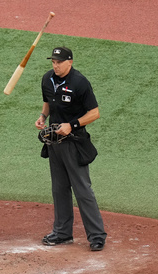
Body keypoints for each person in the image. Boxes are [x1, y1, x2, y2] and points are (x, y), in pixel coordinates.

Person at [35, 47, 107, 251]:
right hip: (54, 144)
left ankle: (96, 236)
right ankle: (62, 233)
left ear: (70, 62)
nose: (55, 65)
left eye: (59, 62)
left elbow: (94, 113)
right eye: (53, 62)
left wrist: (72, 125)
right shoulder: (47, 79)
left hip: (74, 143)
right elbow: (47, 102)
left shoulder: (80, 82)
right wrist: (42, 117)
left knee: (82, 190)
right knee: (59, 189)